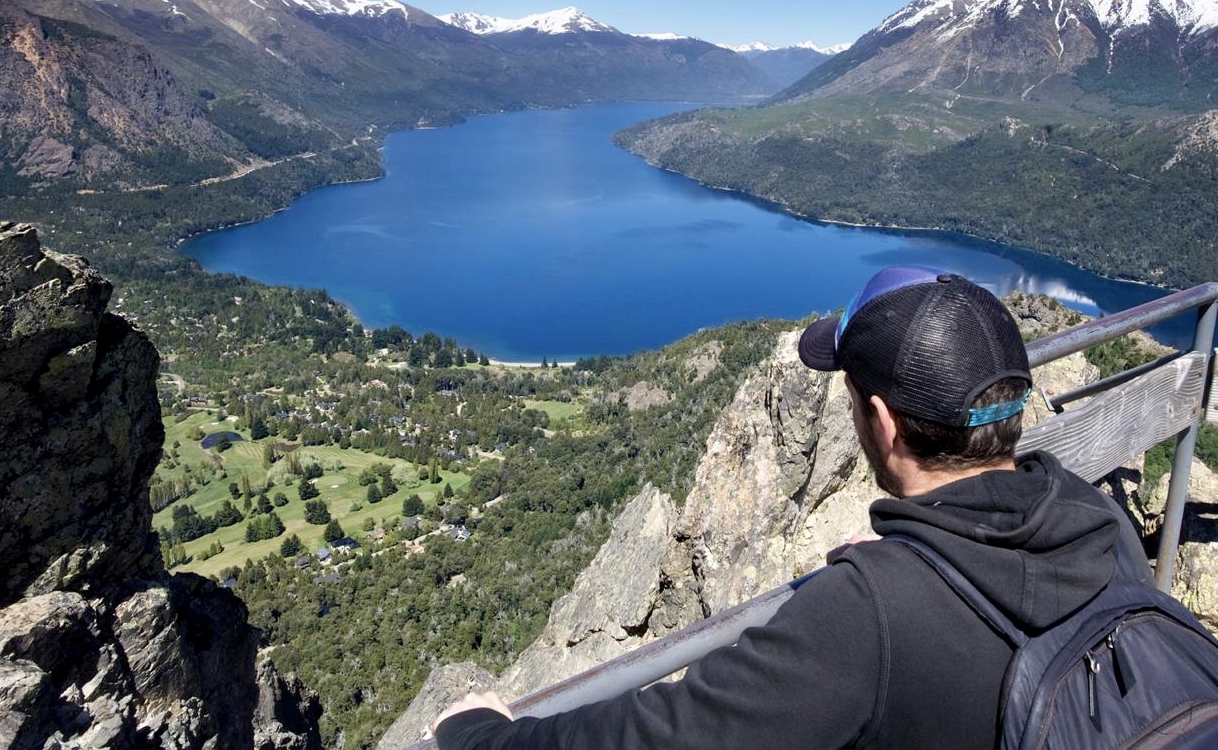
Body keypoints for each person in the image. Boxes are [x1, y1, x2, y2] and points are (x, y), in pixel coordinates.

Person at [432, 266, 1150, 749]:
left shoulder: (865, 617)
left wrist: (481, 737)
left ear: (883, 422)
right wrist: (912, 572)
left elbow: (660, 734)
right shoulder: (1099, 520)